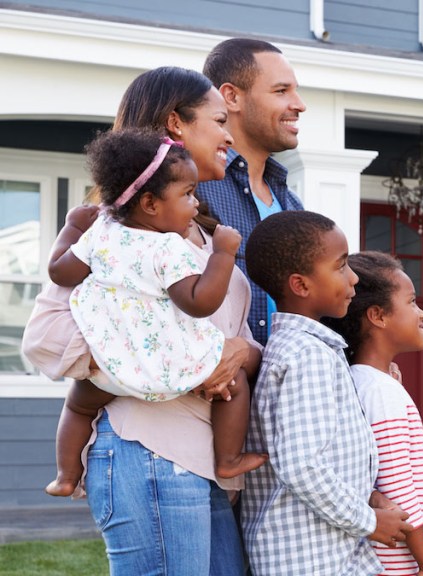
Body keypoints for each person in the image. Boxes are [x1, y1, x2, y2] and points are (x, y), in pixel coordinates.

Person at [22, 66, 260, 575]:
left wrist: (239, 353)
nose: (228, 134)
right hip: (150, 455)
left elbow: (229, 339)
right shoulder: (113, 234)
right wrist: (166, 369)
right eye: (219, 120)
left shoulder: (195, 231)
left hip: (200, 463)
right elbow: (45, 340)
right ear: (176, 124)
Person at [242, 211, 413, 575]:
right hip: (309, 558)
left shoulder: (307, 348)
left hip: (324, 549)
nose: (353, 278)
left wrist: (368, 496)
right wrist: (369, 520)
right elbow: (302, 465)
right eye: (341, 267)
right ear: (301, 285)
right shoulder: (307, 355)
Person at [323, 251, 423, 576]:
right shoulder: (380, 391)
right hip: (397, 563)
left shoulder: (361, 382)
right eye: (412, 302)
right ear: (378, 315)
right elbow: (397, 486)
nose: (422, 314)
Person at [197, 38, 307, 345]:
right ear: (231, 97)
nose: (299, 104)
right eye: (281, 91)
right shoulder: (192, 190)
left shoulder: (294, 207)